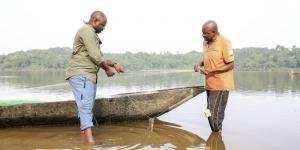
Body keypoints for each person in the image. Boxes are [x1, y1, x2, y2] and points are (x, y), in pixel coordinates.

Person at [65, 11, 124, 144]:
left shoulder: (92, 34)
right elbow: (95, 57)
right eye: (102, 25)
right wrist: (107, 69)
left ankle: (84, 137)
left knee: (86, 106)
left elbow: (100, 57)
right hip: (81, 74)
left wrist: (114, 65)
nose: (104, 28)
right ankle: (90, 143)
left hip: (88, 76)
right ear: (95, 21)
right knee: (85, 106)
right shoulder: (86, 31)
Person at [194, 20, 234, 133]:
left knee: (214, 113)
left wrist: (211, 70)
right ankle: (216, 133)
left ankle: (216, 138)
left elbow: (231, 65)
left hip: (221, 85)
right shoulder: (205, 42)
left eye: (205, 33)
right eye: (202, 33)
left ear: (214, 32)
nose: (203, 35)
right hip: (209, 84)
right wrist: (199, 65)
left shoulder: (225, 42)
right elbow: (207, 57)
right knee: (208, 112)